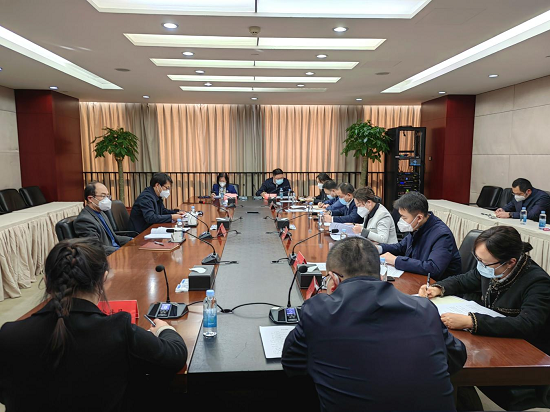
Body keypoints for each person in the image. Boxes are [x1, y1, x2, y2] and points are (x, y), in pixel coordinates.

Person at [0, 238, 187, 411]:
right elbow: (175, 356)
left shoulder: (8, 335)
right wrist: (165, 329)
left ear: (47, 281)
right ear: (104, 279)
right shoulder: (117, 329)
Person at [282, 237, 467, 412]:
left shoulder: (318, 312)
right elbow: (456, 356)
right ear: (380, 275)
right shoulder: (424, 308)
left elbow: (292, 364)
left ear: (334, 279)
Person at [419, 226, 550, 355]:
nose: (480, 265)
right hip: (492, 339)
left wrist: (471, 322)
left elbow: (527, 324)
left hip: (525, 350)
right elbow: (463, 280)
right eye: (478, 259)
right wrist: (437, 288)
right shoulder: (493, 268)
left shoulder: (538, 282)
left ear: (511, 262)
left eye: (484, 262)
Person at [378, 191, 462, 280]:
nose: (401, 220)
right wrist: (378, 248)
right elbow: (401, 247)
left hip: (438, 284)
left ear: (419, 218)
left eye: (404, 217)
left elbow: (433, 268)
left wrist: (396, 260)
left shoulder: (442, 235)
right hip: (416, 278)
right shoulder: (417, 226)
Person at [74, 181, 132, 256]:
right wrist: (121, 251)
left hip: (115, 252)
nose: (107, 200)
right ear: (90, 198)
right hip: (107, 257)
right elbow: (94, 247)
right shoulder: (84, 220)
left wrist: (133, 240)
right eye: (103, 196)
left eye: (108, 196)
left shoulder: (101, 213)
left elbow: (112, 238)